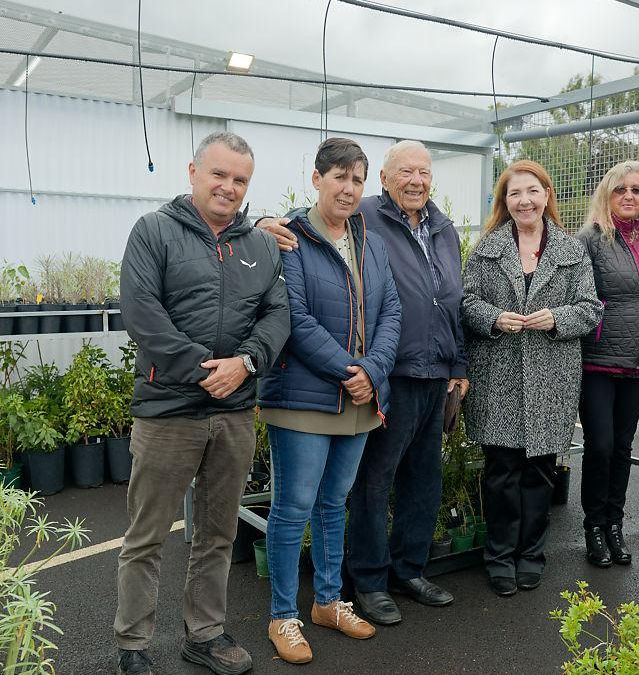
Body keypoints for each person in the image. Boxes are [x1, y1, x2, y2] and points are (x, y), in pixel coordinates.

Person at [258, 141, 467, 625]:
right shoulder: (353, 222)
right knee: (345, 491)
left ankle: (381, 581)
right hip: (355, 382)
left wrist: (453, 364)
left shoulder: (429, 231)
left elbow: (419, 304)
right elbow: (294, 299)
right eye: (406, 172)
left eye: (424, 172)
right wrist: (360, 372)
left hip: (413, 376)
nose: (416, 180)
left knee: (404, 483)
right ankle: (342, 591)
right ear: (386, 180)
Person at [115, 131, 290, 675]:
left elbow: (276, 314)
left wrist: (246, 363)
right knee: (147, 535)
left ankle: (205, 634)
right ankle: (133, 643)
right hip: (168, 410)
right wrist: (202, 371)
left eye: (240, 180)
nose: (228, 187)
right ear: (193, 172)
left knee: (218, 533)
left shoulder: (259, 246)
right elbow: (141, 310)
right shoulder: (154, 232)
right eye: (219, 174)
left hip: (235, 411)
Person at [256, 137, 401, 665]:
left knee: (334, 504)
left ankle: (327, 602)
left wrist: (374, 370)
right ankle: (282, 616)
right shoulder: (290, 239)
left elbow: (391, 314)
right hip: (304, 397)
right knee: (293, 509)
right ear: (316, 179)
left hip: (360, 398)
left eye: (358, 179)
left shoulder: (370, 240)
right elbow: (293, 319)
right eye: (339, 177)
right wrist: (351, 371)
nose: (348, 188)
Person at [461, 160, 601, 597]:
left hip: (550, 376)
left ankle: (531, 555)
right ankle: (500, 556)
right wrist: (493, 317)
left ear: (547, 196)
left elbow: (591, 308)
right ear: (505, 201)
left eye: (532, 191)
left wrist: (556, 317)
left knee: (539, 472)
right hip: (498, 374)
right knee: (501, 471)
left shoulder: (572, 251)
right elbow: (465, 303)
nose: (525, 201)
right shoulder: (486, 249)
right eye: (515, 193)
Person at [575, 161, 639, 568]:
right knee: (602, 446)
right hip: (597, 361)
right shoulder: (591, 241)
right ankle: (594, 527)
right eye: (620, 190)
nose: (629, 196)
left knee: (624, 448)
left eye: (637, 189)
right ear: (606, 195)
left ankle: (616, 525)